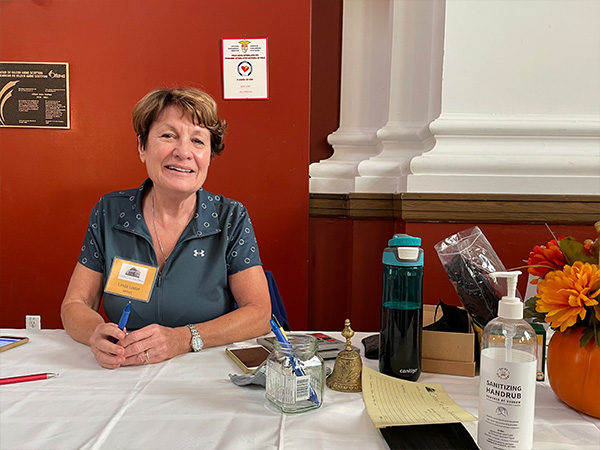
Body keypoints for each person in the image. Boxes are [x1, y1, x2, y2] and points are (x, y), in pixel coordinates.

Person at [61, 87, 271, 369]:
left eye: (198, 141)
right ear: (142, 147)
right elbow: (75, 304)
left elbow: (259, 312)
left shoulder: (230, 217)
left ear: (209, 156)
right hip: (123, 367)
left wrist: (183, 339)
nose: (183, 152)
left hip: (203, 368)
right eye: (168, 135)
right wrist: (95, 333)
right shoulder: (110, 211)